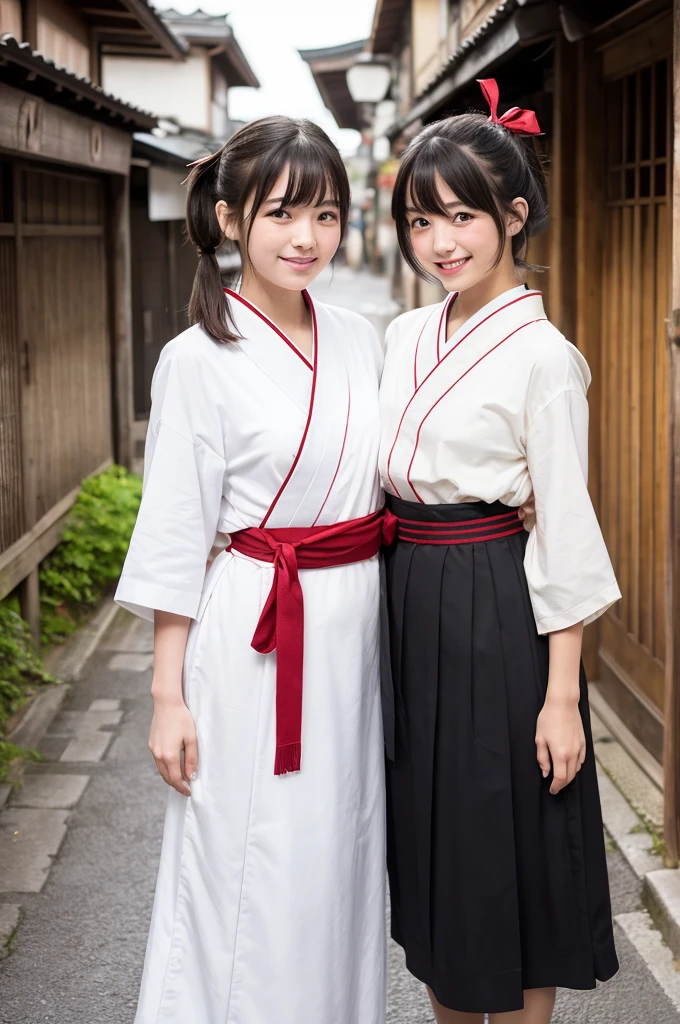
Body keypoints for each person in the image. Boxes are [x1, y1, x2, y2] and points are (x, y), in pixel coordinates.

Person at [115, 115, 388, 1024]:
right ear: (231, 221)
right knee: (245, 859)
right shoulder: (196, 358)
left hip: (353, 626)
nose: (306, 237)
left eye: (326, 214)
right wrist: (167, 694)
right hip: (253, 634)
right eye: (282, 214)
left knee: (340, 854)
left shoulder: (358, 338)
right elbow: (173, 530)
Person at [379, 79, 621, 1024]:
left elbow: (563, 526)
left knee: (508, 853)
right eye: (421, 220)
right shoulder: (404, 334)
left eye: (463, 217)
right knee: (439, 854)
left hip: (497, 609)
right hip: (409, 599)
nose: (442, 242)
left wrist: (563, 698)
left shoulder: (543, 357)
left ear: (513, 217)